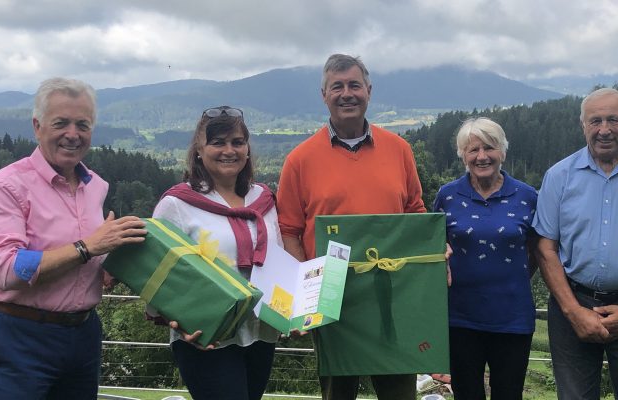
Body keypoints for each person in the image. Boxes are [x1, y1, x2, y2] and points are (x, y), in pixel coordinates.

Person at [0, 77, 147, 399]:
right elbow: (6, 270)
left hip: (84, 333)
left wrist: (109, 264)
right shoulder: (7, 186)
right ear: (37, 127)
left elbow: (89, 254)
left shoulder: (96, 186)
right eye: (61, 123)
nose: (73, 134)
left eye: (83, 125)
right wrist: (88, 248)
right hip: (21, 334)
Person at [276, 53, 426, 400]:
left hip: (392, 294)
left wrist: (432, 252)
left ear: (369, 91)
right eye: (337, 87)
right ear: (324, 95)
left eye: (354, 85)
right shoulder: (299, 160)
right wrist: (307, 293)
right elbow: (289, 231)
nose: (347, 94)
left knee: (399, 391)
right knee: (337, 394)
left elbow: (415, 212)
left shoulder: (399, 149)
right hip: (330, 299)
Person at [532, 88, 618, 400]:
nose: (604, 130)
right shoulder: (558, 177)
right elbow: (545, 249)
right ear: (583, 125)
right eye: (595, 121)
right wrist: (573, 311)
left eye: (613, 120)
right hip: (572, 305)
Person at [150, 106, 283, 400]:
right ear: (199, 150)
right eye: (218, 142)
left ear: (247, 149)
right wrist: (176, 319)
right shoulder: (177, 204)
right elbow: (156, 272)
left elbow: (278, 258)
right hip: (206, 336)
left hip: (260, 332)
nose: (229, 151)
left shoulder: (264, 199)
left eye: (237, 142)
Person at [432, 117, 538, 400]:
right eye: (473, 150)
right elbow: (436, 246)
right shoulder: (447, 196)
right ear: (463, 155)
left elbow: (538, 251)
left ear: (502, 151)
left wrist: (512, 279)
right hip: (460, 317)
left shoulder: (527, 196)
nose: (482, 156)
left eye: (489, 147)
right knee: (466, 394)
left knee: (509, 395)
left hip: (513, 317)